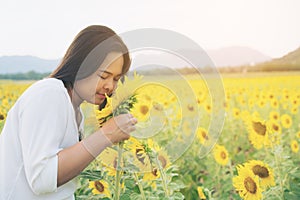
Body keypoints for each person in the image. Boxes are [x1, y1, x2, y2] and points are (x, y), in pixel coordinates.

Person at [0, 25, 137, 199]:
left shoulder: (75, 110)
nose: (110, 86)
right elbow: (42, 179)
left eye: (116, 79)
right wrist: (106, 135)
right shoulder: (50, 93)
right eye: (104, 76)